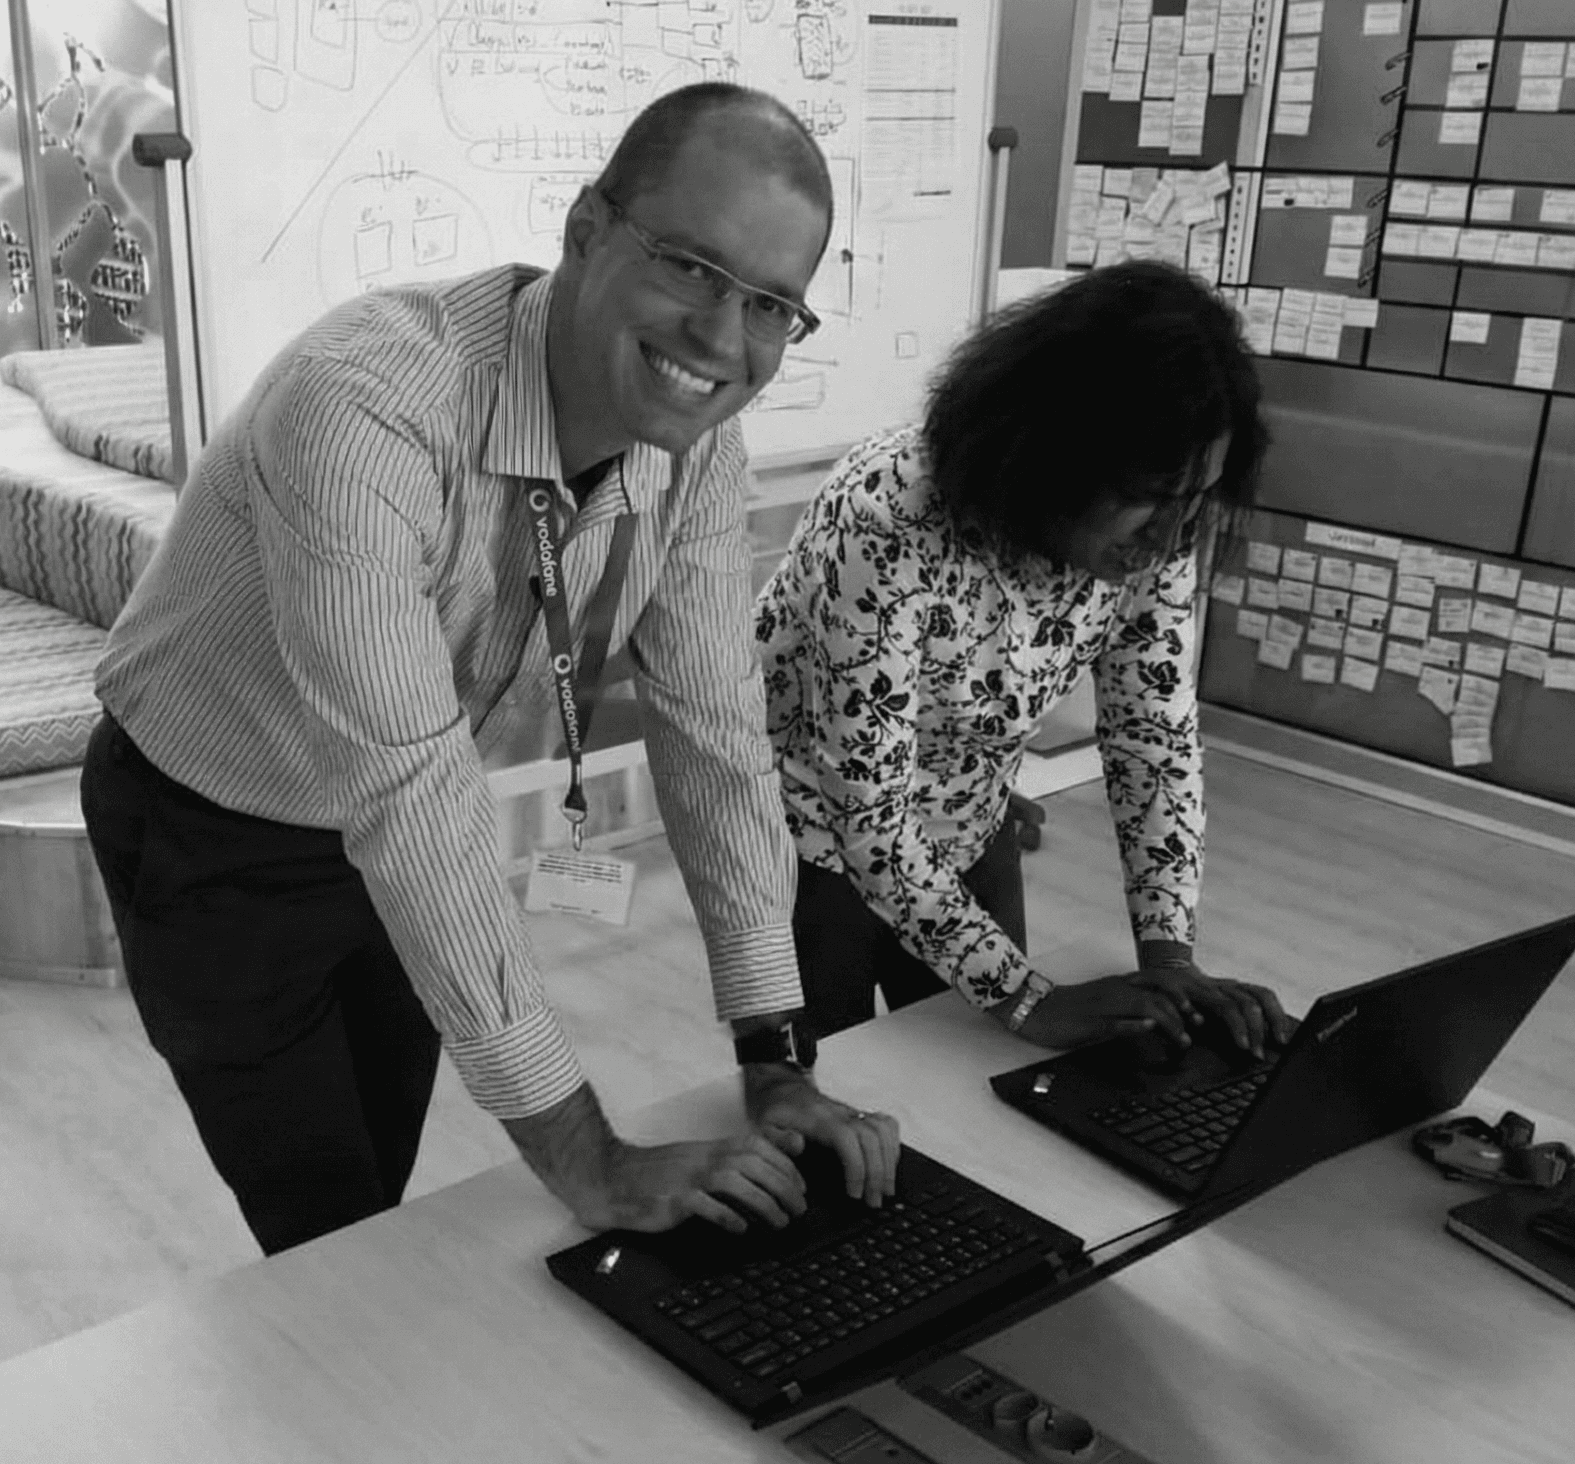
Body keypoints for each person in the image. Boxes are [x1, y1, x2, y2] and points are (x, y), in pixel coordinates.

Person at [80, 83, 897, 1257]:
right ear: (583, 232)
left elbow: (715, 732)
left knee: (382, 1185)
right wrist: (594, 1164)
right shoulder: (364, 405)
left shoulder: (697, 445)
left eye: (771, 304)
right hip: (214, 830)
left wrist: (776, 1057)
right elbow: (410, 803)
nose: (724, 340)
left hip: (395, 811)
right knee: (329, 1230)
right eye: (690, 267)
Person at [757, 261, 1294, 1054]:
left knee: (977, 1086)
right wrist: (1021, 997)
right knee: (827, 1095)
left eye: (1196, 500)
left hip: (966, 823)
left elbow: (1155, 742)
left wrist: (1170, 958)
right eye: (1151, 496)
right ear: (1055, 453)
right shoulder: (888, 515)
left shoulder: (1158, 526)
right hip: (803, 836)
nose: (1172, 538)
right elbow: (864, 808)